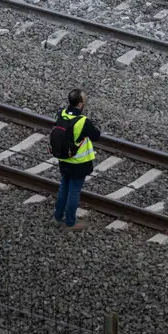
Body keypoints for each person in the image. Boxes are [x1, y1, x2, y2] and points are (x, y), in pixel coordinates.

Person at [52, 88, 99, 230]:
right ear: (80, 104)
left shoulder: (61, 114)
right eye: (85, 100)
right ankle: (70, 223)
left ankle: (57, 217)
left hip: (63, 158)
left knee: (64, 188)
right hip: (78, 163)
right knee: (74, 191)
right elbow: (96, 135)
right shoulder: (82, 121)